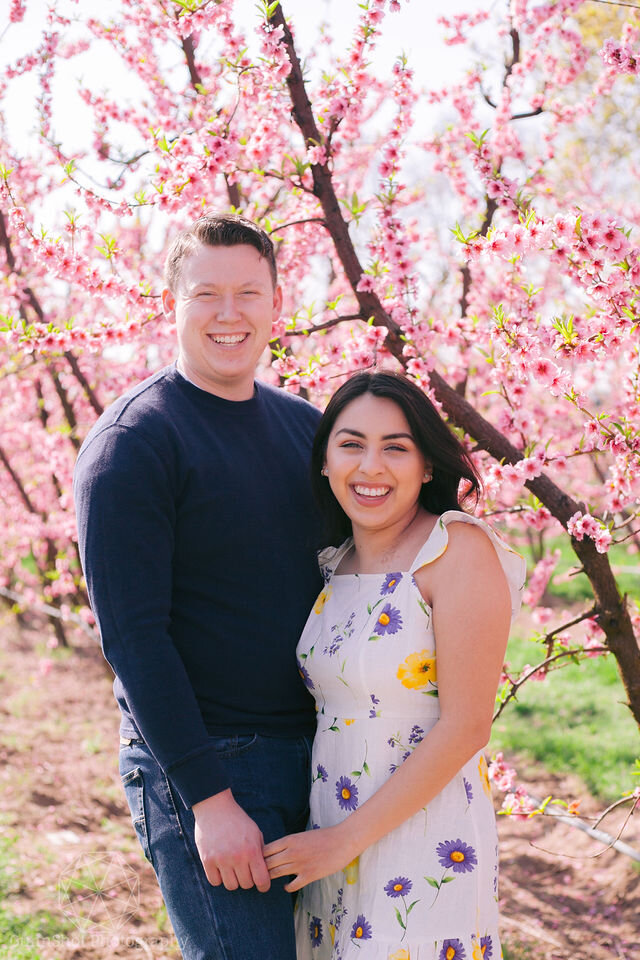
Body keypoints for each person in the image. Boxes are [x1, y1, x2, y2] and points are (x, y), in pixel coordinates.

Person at [73, 213, 324, 960]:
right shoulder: (135, 443)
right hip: (212, 762)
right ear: (171, 301)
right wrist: (209, 800)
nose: (228, 313)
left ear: (278, 304)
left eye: (248, 293)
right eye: (206, 293)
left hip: (319, 754)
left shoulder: (307, 430)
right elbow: (133, 638)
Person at [264, 371, 526, 960]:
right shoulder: (336, 562)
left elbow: (466, 726)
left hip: (423, 846)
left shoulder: (456, 549)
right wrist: (329, 843)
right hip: (328, 837)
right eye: (351, 444)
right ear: (326, 462)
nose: (371, 467)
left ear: (428, 465)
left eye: (396, 448)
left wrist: (343, 842)